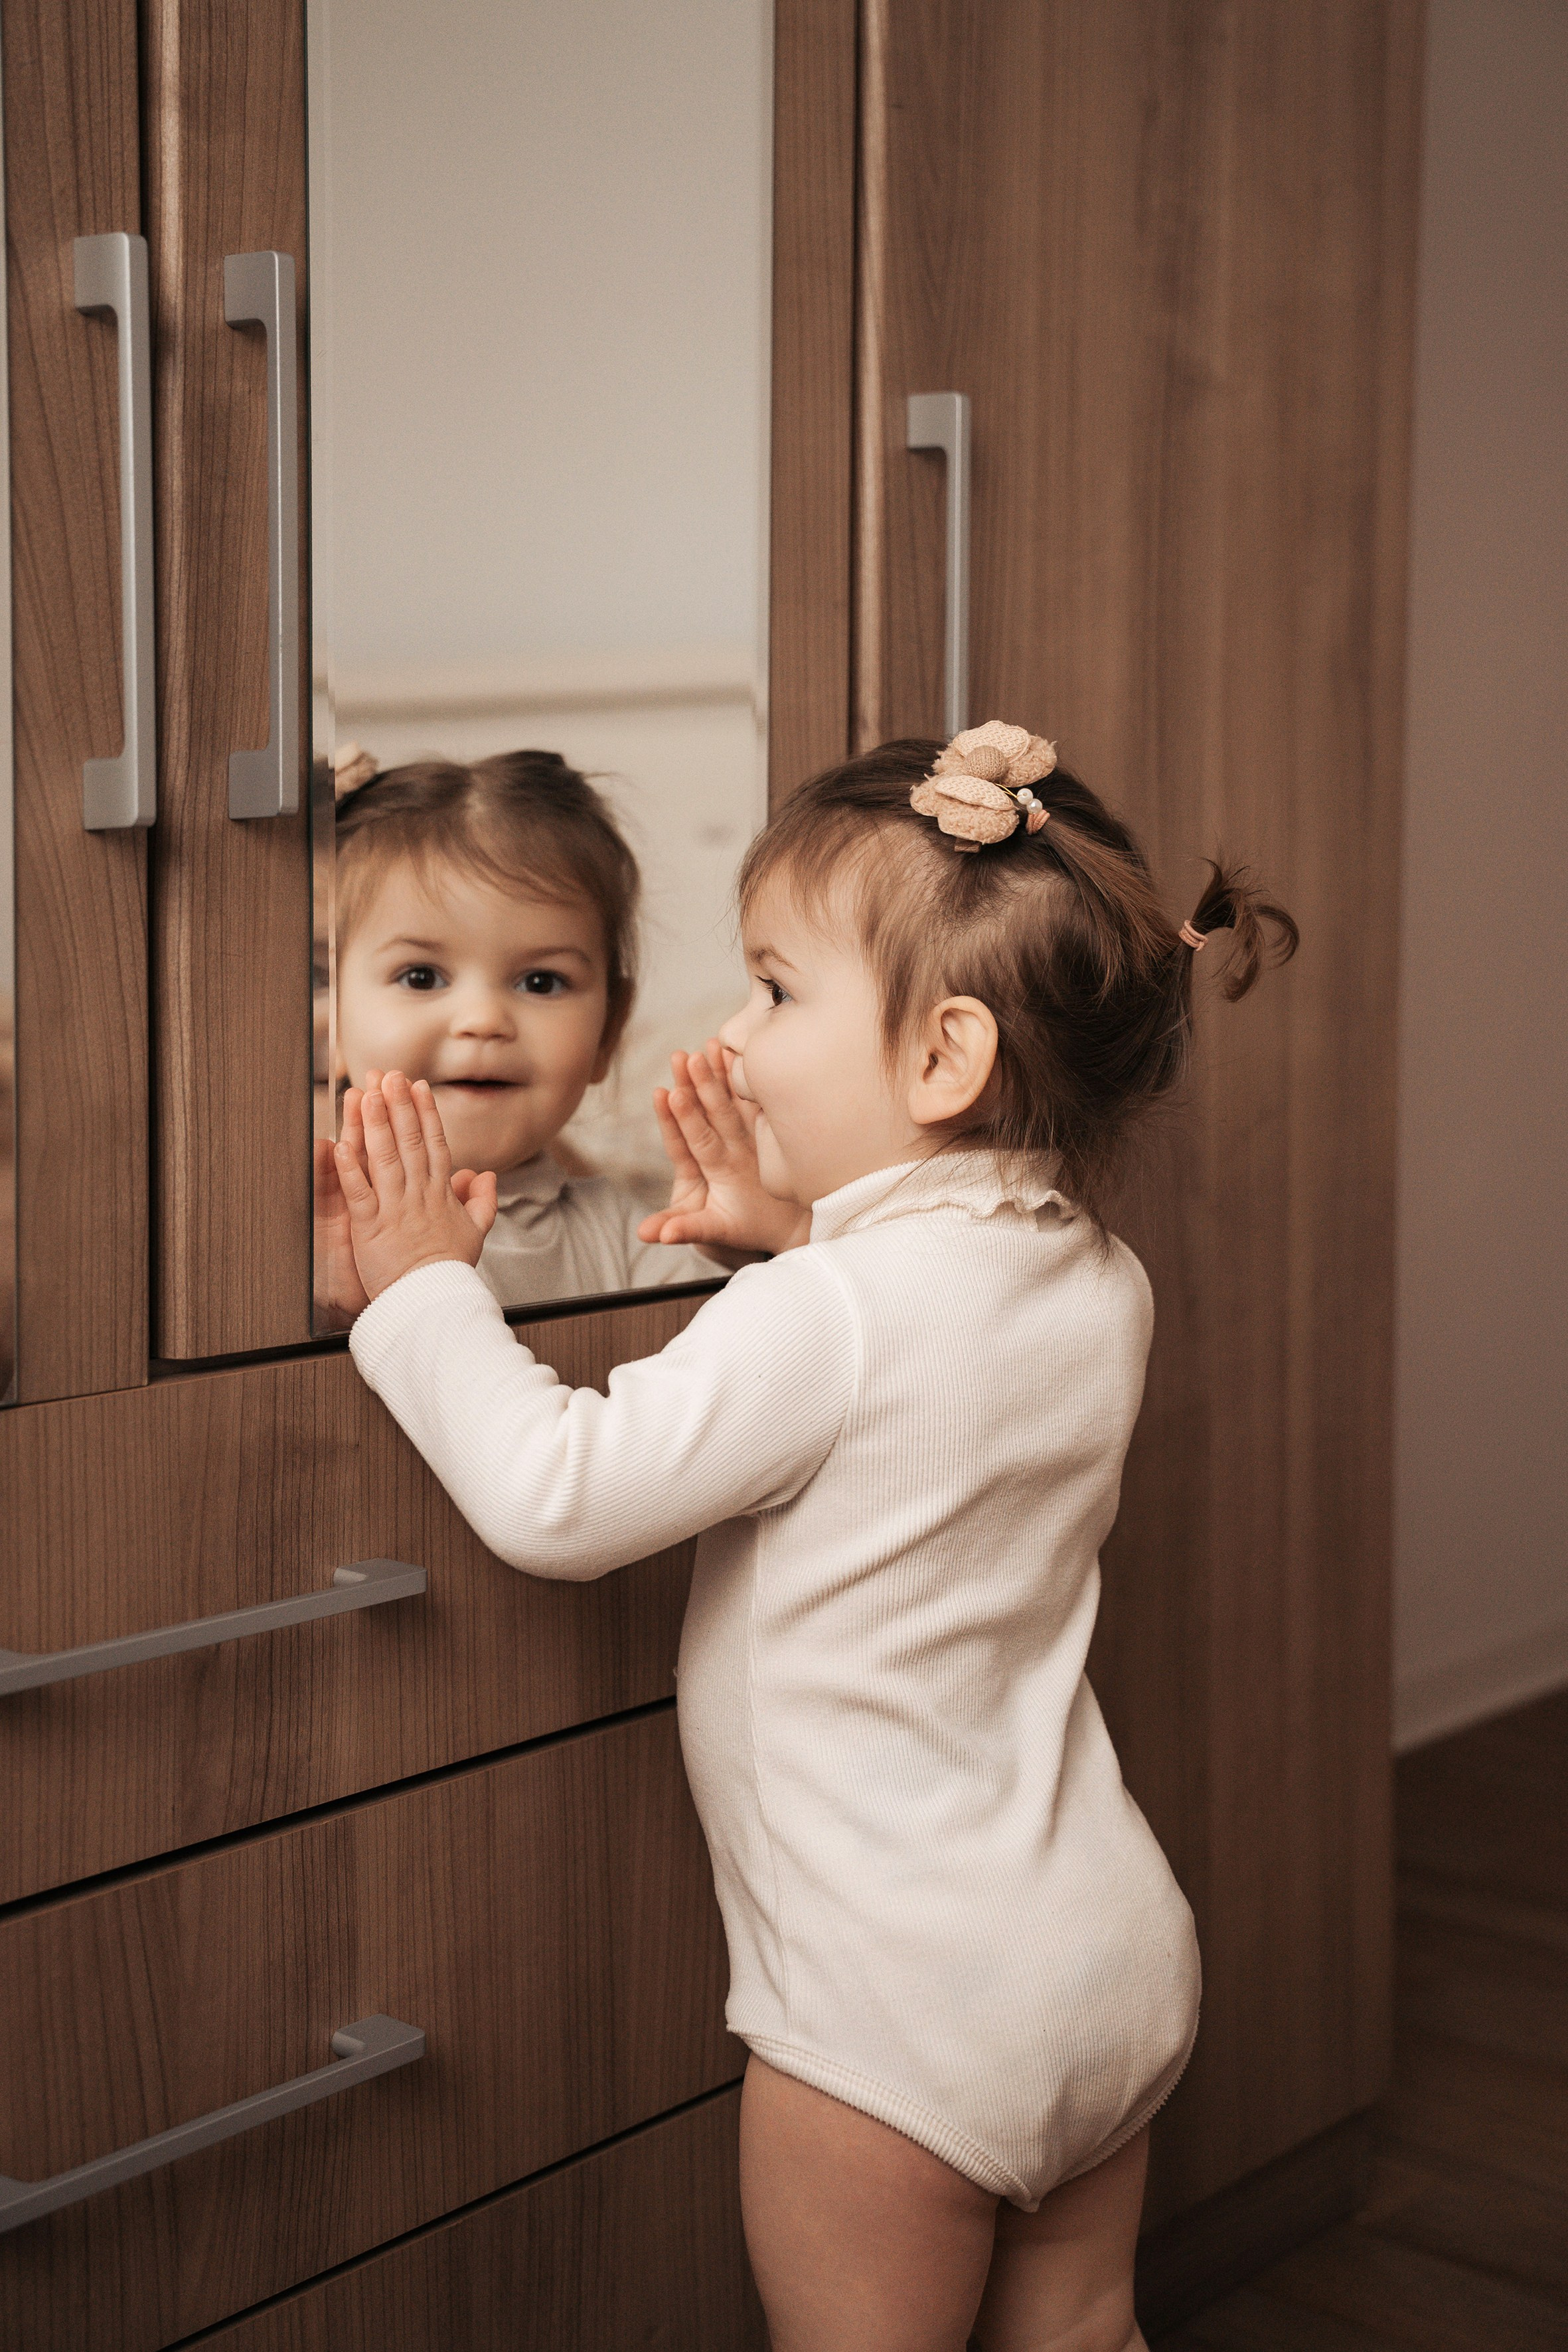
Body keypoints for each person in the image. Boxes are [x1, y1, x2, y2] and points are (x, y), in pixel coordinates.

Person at [331, 722, 1298, 2351]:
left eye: (777, 990)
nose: (740, 1033)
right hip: (1105, 1951)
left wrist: (426, 1280)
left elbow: (557, 1495)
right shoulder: (1092, 1272)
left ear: (941, 1062)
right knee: (1079, 2334)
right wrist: (790, 1236)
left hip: (895, 2022)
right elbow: (937, 1402)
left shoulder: (828, 1317)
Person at [315, 747, 720, 1318]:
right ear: (328, 1022)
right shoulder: (305, 1228)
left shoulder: (628, 1236)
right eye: (422, 976)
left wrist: (751, 1244)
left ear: (610, 1030)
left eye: (540, 981)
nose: (483, 1019)